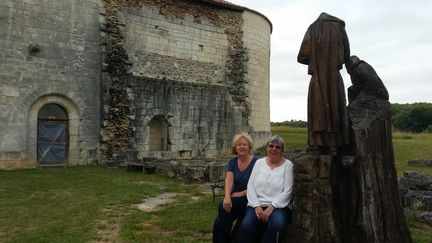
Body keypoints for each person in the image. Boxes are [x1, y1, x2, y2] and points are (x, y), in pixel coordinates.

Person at [297, 12, 351, 154]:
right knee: (334, 107)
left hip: (317, 78)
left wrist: (316, 58)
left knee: (318, 109)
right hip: (334, 77)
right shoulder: (339, 27)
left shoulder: (312, 28)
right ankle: (335, 145)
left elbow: (302, 55)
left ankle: (317, 143)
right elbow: (347, 54)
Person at [236, 135, 294, 243]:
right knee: (246, 225)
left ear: (282, 150)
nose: (273, 149)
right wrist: (257, 206)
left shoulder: (288, 166)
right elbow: (251, 186)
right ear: (266, 148)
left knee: (277, 224)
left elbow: (288, 191)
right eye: (271, 146)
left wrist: (271, 208)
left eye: (278, 147)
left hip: (279, 207)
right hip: (257, 204)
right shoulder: (259, 163)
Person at [212, 133, 259, 243]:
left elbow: (259, 185)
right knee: (218, 222)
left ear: (249, 147)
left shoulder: (257, 162)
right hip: (234, 199)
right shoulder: (232, 162)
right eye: (239, 145)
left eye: (244, 144)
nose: (242, 147)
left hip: (250, 199)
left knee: (221, 214)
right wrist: (227, 197)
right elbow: (229, 180)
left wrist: (241, 193)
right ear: (235, 148)